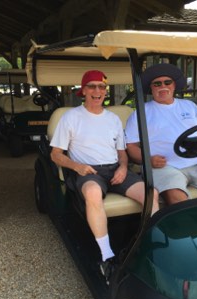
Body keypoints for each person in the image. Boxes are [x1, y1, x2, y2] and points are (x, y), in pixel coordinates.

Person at [50, 70, 159, 284]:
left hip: (115, 169)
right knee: (92, 192)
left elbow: (121, 153)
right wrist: (77, 166)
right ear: (83, 91)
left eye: (101, 86)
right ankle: (107, 255)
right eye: (91, 86)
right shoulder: (71, 117)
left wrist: (123, 167)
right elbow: (55, 155)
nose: (97, 91)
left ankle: (150, 245)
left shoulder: (113, 119)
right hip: (88, 170)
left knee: (151, 193)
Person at [125, 63, 197, 205]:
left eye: (167, 82)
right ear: (151, 88)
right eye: (157, 84)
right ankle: (188, 226)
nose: (163, 86)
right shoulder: (141, 113)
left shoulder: (189, 106)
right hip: (164, 167)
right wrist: (148, 160)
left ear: (174, 85)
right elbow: (131, 146)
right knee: (176, 196)